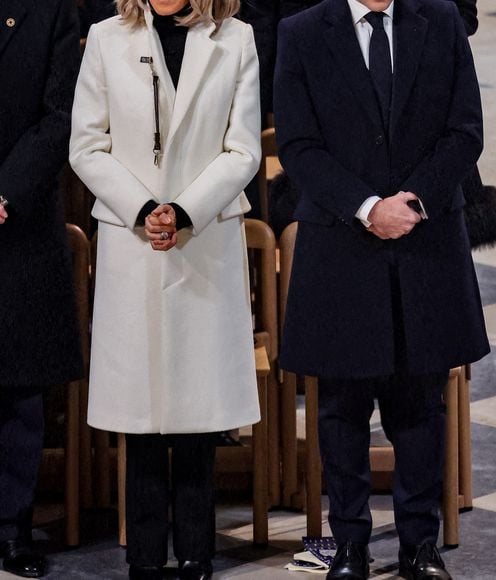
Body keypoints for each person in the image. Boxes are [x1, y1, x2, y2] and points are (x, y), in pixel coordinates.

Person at [274, 0, 489, 578]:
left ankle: (420, 544)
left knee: (420, 402)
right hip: (341, 242)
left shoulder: (439, 20)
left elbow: (464, 129)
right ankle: (350, 545)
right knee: (341, 406)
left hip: (425, 238)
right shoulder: (301, 32)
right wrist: (367, 208)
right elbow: (298, 145)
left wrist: (411, 203)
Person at [69, 0, 261, 578]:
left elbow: (244, 147)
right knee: (142, 417)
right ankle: (146, 560)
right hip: (134, 241)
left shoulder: (236, 37)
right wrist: (146, 208)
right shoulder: (107, 37)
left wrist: (183, 210)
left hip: (203, 238)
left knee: (200, 416)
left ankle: (199, 554)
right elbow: (87, 145)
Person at [0, 1, 83, 578]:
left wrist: (7, 192)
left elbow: (61, 114)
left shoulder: (52, 9)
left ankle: (12, 529)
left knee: (20, 393)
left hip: (19, 220)